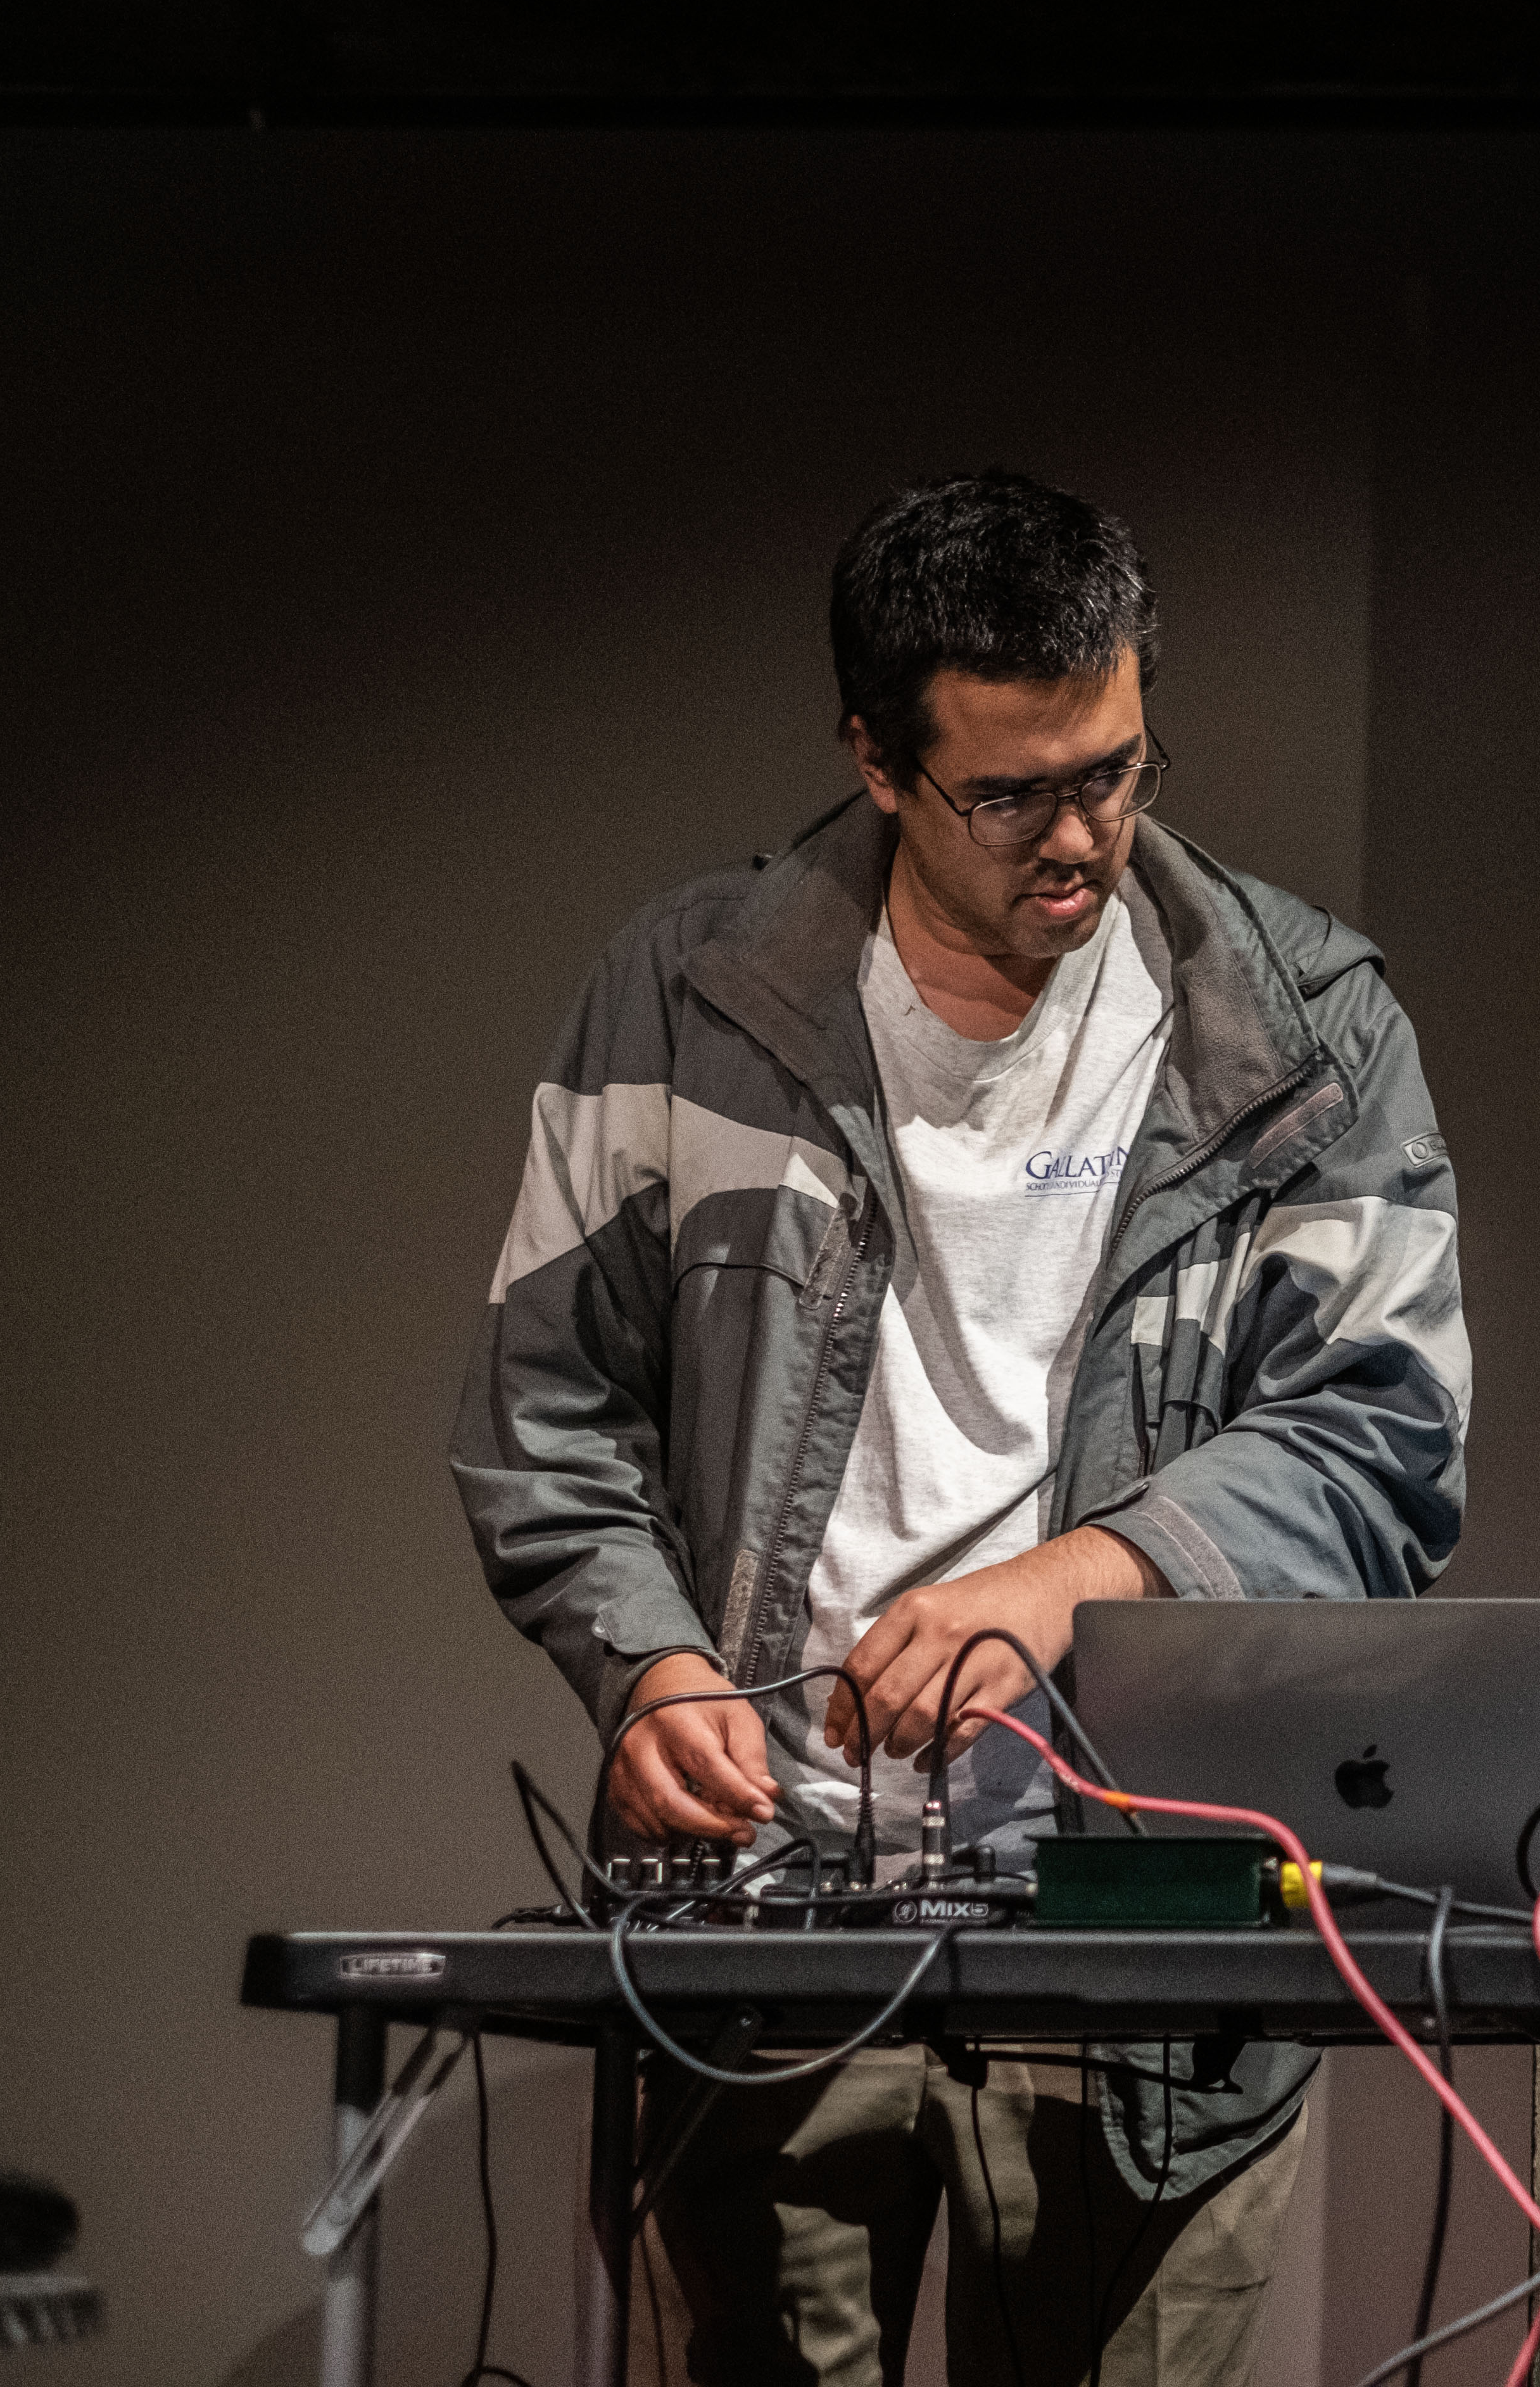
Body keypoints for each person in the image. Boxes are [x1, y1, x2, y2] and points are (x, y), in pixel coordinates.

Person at [454, 472, 1470, 2386]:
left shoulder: (1299, 1018)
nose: (1079, 838)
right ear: (877, 758)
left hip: (1145, 1945)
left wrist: (1090, 1575)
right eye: (1013, 795)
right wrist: (650, 1661)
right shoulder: (684, 1004)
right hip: (776, 1933)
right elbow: (547, 1412)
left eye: (1118, 769)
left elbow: (1385, 1428)